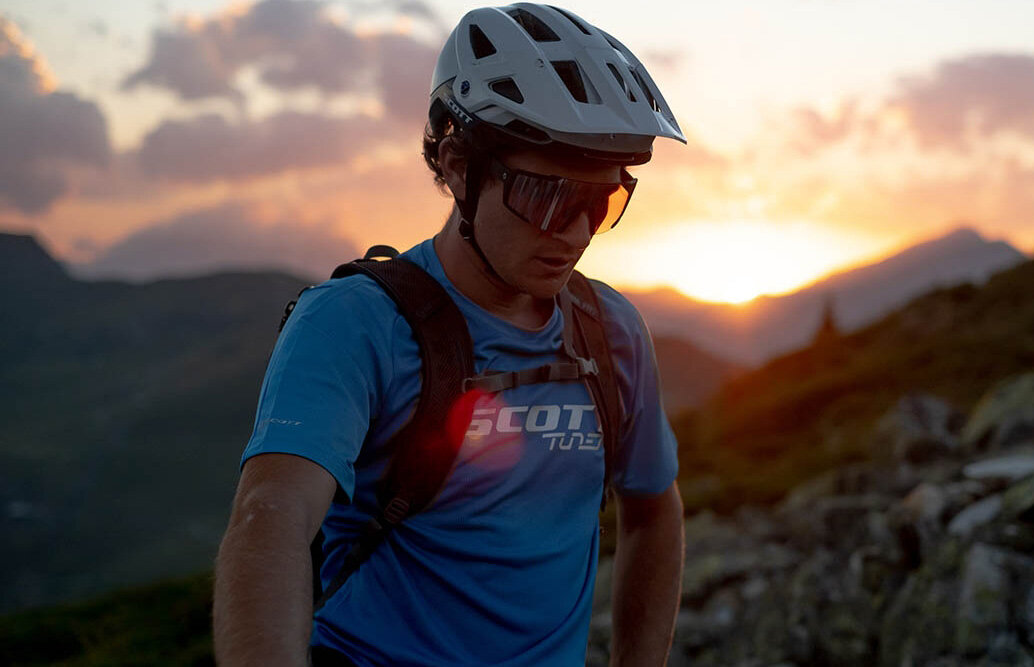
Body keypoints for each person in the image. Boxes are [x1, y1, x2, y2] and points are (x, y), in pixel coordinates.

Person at [213, 3, 686, 665]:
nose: (577, 233)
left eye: (600, 201)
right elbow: (271, 518)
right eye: (548, 197)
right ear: (459, 164)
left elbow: (655, 510)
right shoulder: (354, 322)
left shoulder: (612, 333)